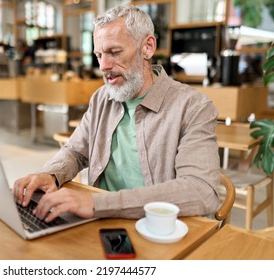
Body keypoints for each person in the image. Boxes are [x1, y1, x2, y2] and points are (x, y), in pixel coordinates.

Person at [13, 5, 220, 223]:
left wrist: (98, 204)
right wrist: (51, 174)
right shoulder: (102, 98)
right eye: (99, 55)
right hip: (98, 220)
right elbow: (75, 151)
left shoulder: (193, 107)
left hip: (154, 226)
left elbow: (201, 191)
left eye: (114, 52)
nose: (103, 65)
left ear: (147, 47)